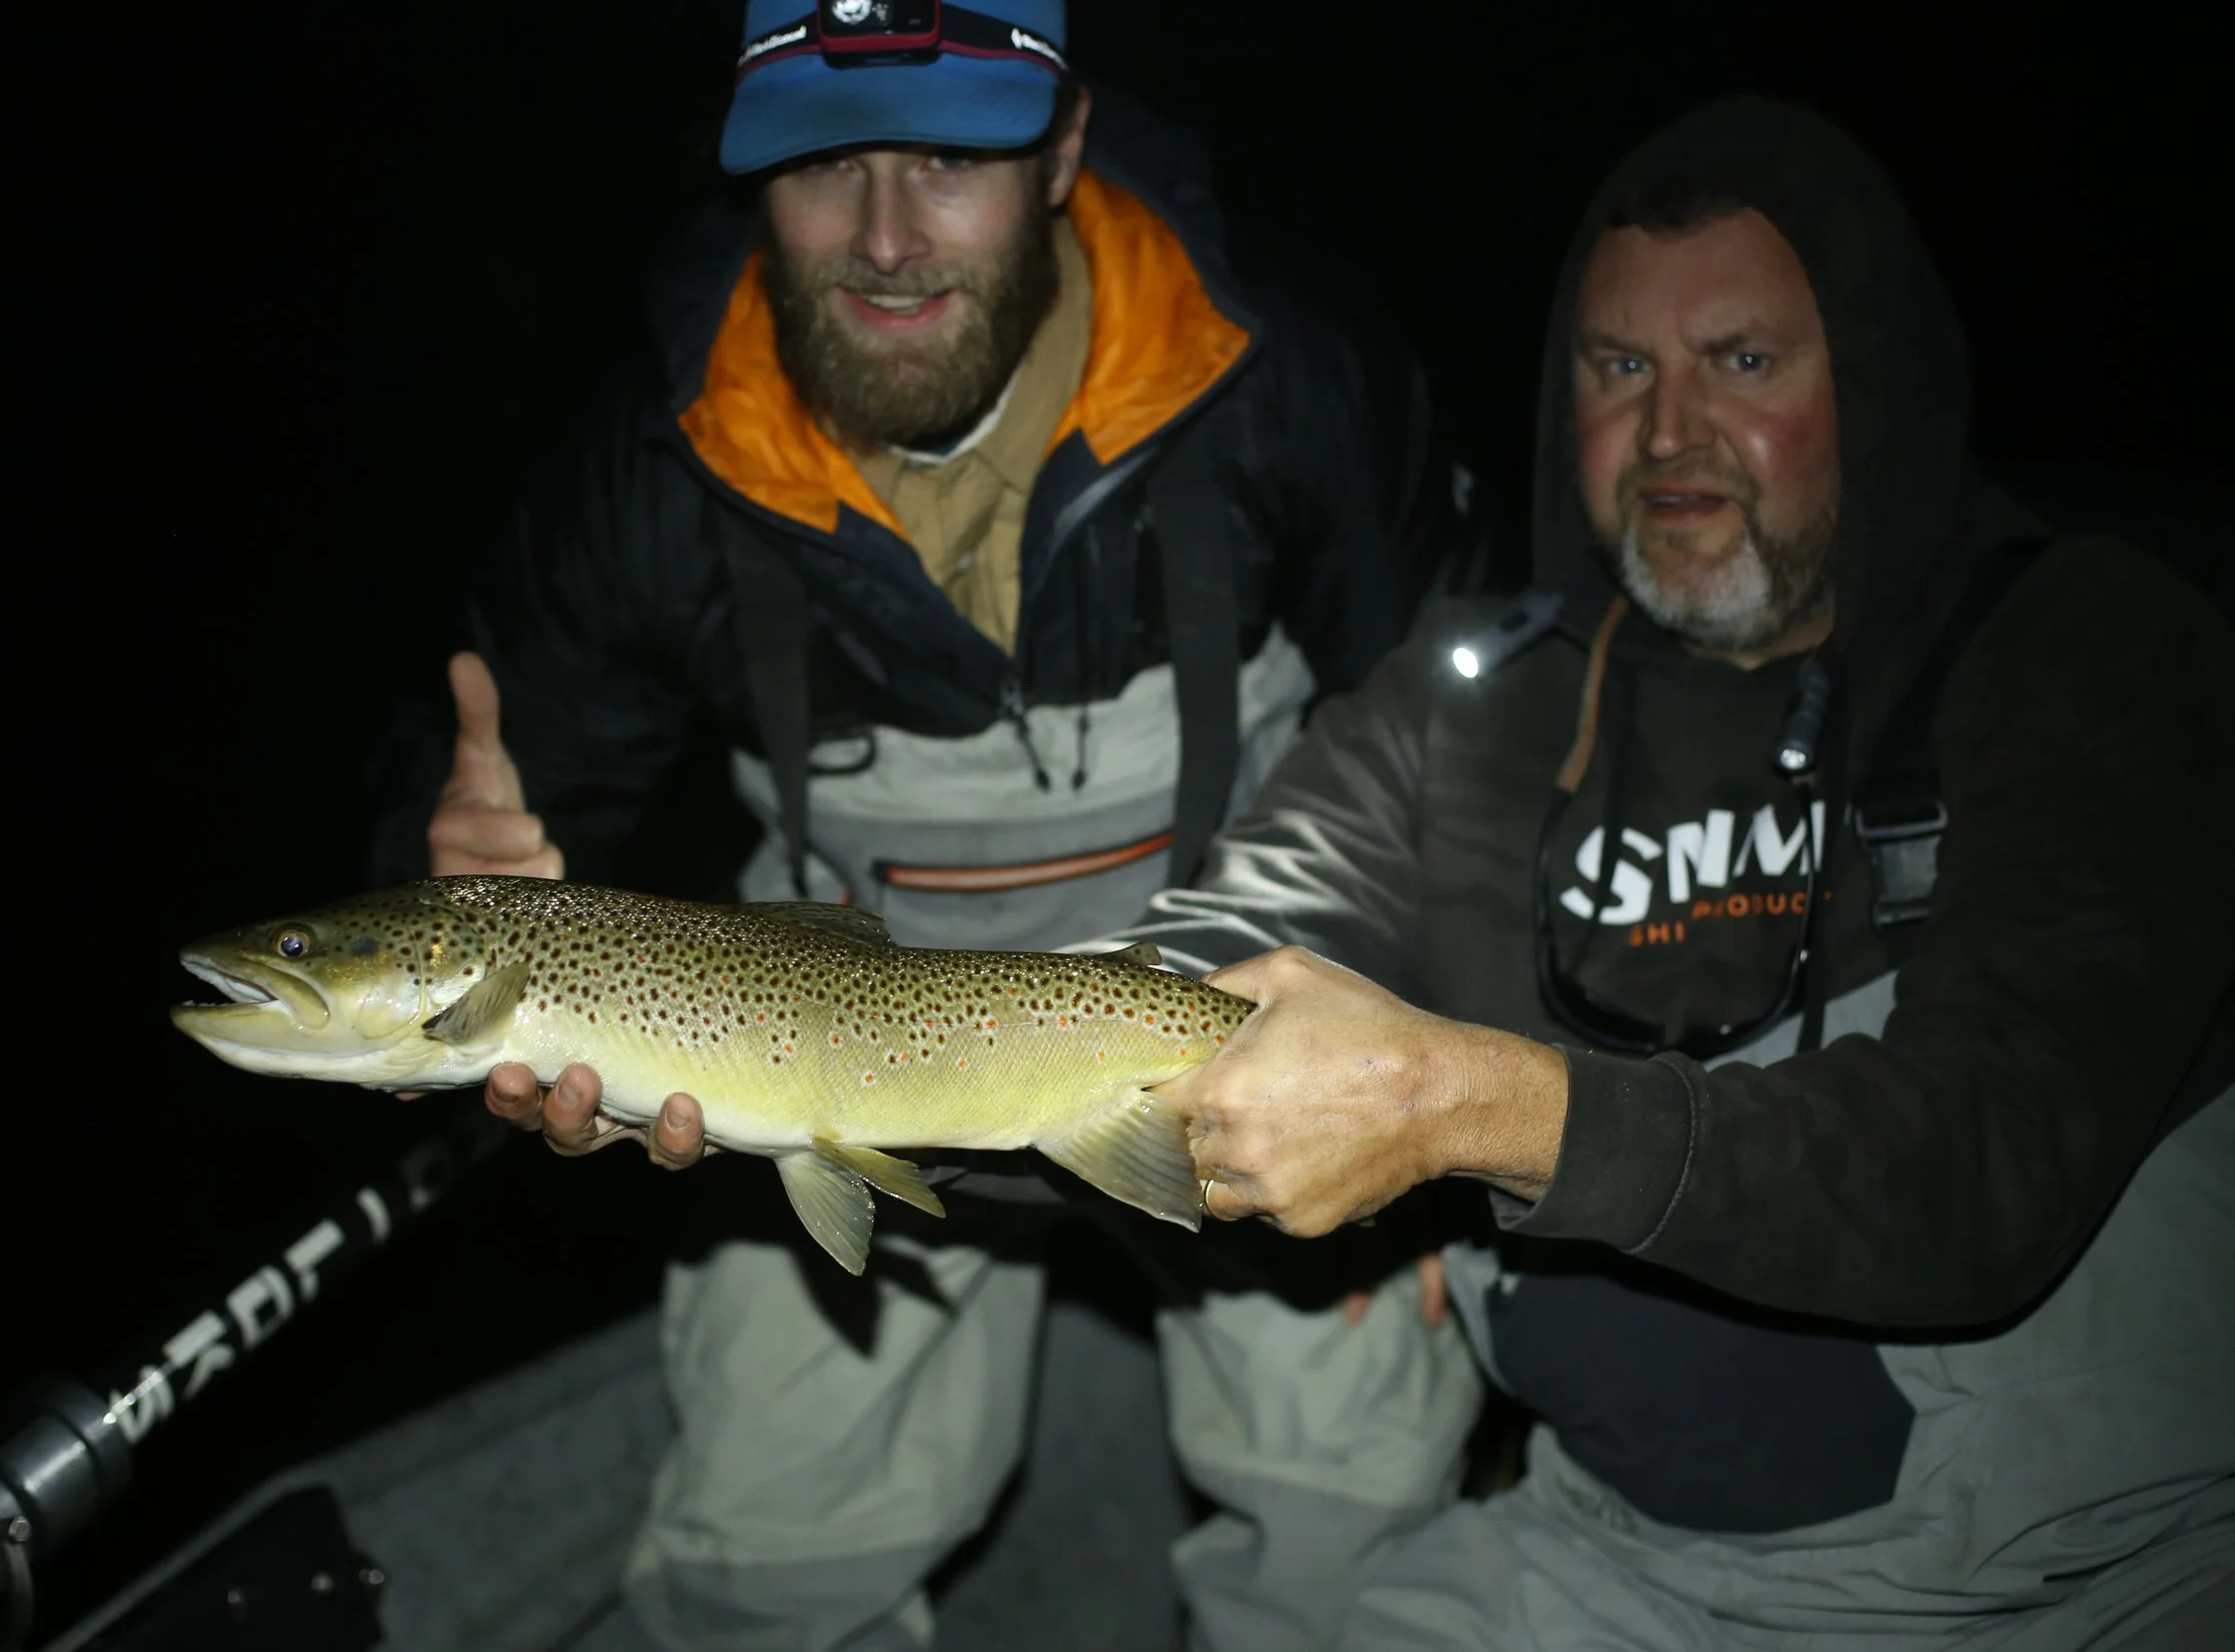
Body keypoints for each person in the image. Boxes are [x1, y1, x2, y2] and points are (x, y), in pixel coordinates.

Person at [564, 94, 2235, 1647]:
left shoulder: (2087, 653)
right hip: (1601, 1559)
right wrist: (772, 1059)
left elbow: (1979, 1169)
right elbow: (1231, 935)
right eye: (1612, 366)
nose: (1673, 431)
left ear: (1870, 376)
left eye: (1741, 358)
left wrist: (1471, 1108)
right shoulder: (1481, 708)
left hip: (2077, 1560)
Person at [399, 3, 1489, 1647]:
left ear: (1062, 151)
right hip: (815, 1082)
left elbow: (1466, 726)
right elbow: (471, 821)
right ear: (747, 182)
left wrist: (1446, 1073)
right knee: (759, 1576)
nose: (888, 238)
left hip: (1248, 1041)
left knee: (1358, 1543)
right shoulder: (649, 465)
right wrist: (432, 852)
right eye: (827, 164)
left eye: (954, 160)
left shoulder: (1286, 378)